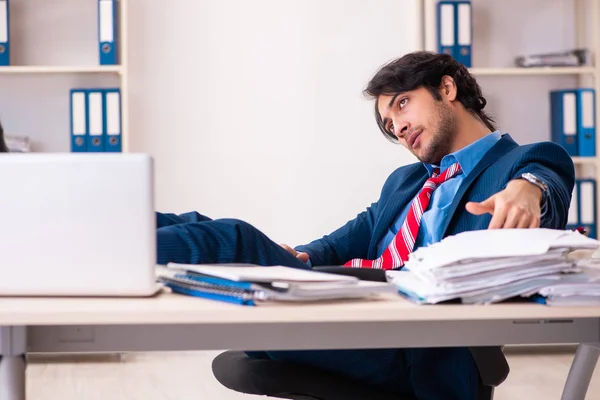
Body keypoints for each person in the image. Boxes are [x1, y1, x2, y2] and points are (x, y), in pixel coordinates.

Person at [155, 51, 575, 399]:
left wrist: (528, 189)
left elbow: (547, 179)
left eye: (402, 104)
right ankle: (116, 231)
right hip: (359, 313)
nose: (398, 127)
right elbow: (345, 240)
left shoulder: (523, 162)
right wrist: (296, 257)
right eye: (390, 124)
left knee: (235, 238)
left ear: (447, 88)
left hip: (421, 350)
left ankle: (107, 246)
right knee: (204, 230)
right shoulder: (406, 181)